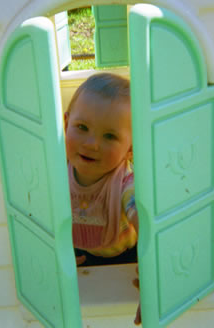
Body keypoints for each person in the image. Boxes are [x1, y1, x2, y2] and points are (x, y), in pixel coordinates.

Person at [64, 72, 141, 325]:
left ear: (130, 149)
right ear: (66, 124)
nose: (92, 143)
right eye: (82, 127)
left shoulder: (126, 182)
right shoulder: (56, 171)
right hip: (78, 252)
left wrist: (153, 271)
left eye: (109, 136)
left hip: (124, 257)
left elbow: (139, 213)